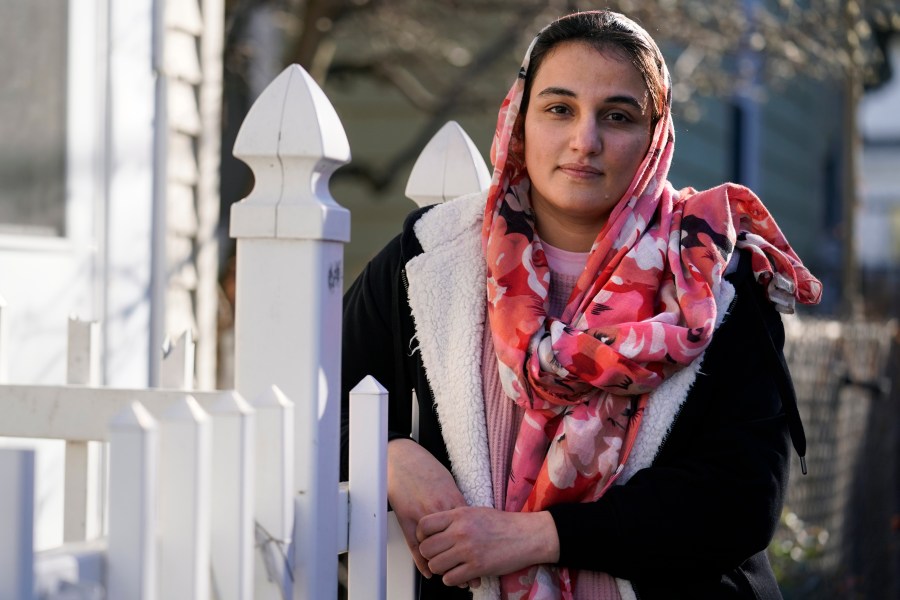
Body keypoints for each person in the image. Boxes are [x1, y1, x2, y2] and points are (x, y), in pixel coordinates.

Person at [341, 9, 822, 600]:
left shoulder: (716, 279)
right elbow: (315, 403)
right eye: (559, 108)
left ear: (656, 136)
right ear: (520, 120)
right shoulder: (431, 259)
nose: (584, 141)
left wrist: (540, 536)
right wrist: (389, 456)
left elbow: (740, 498)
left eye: (617, 116)